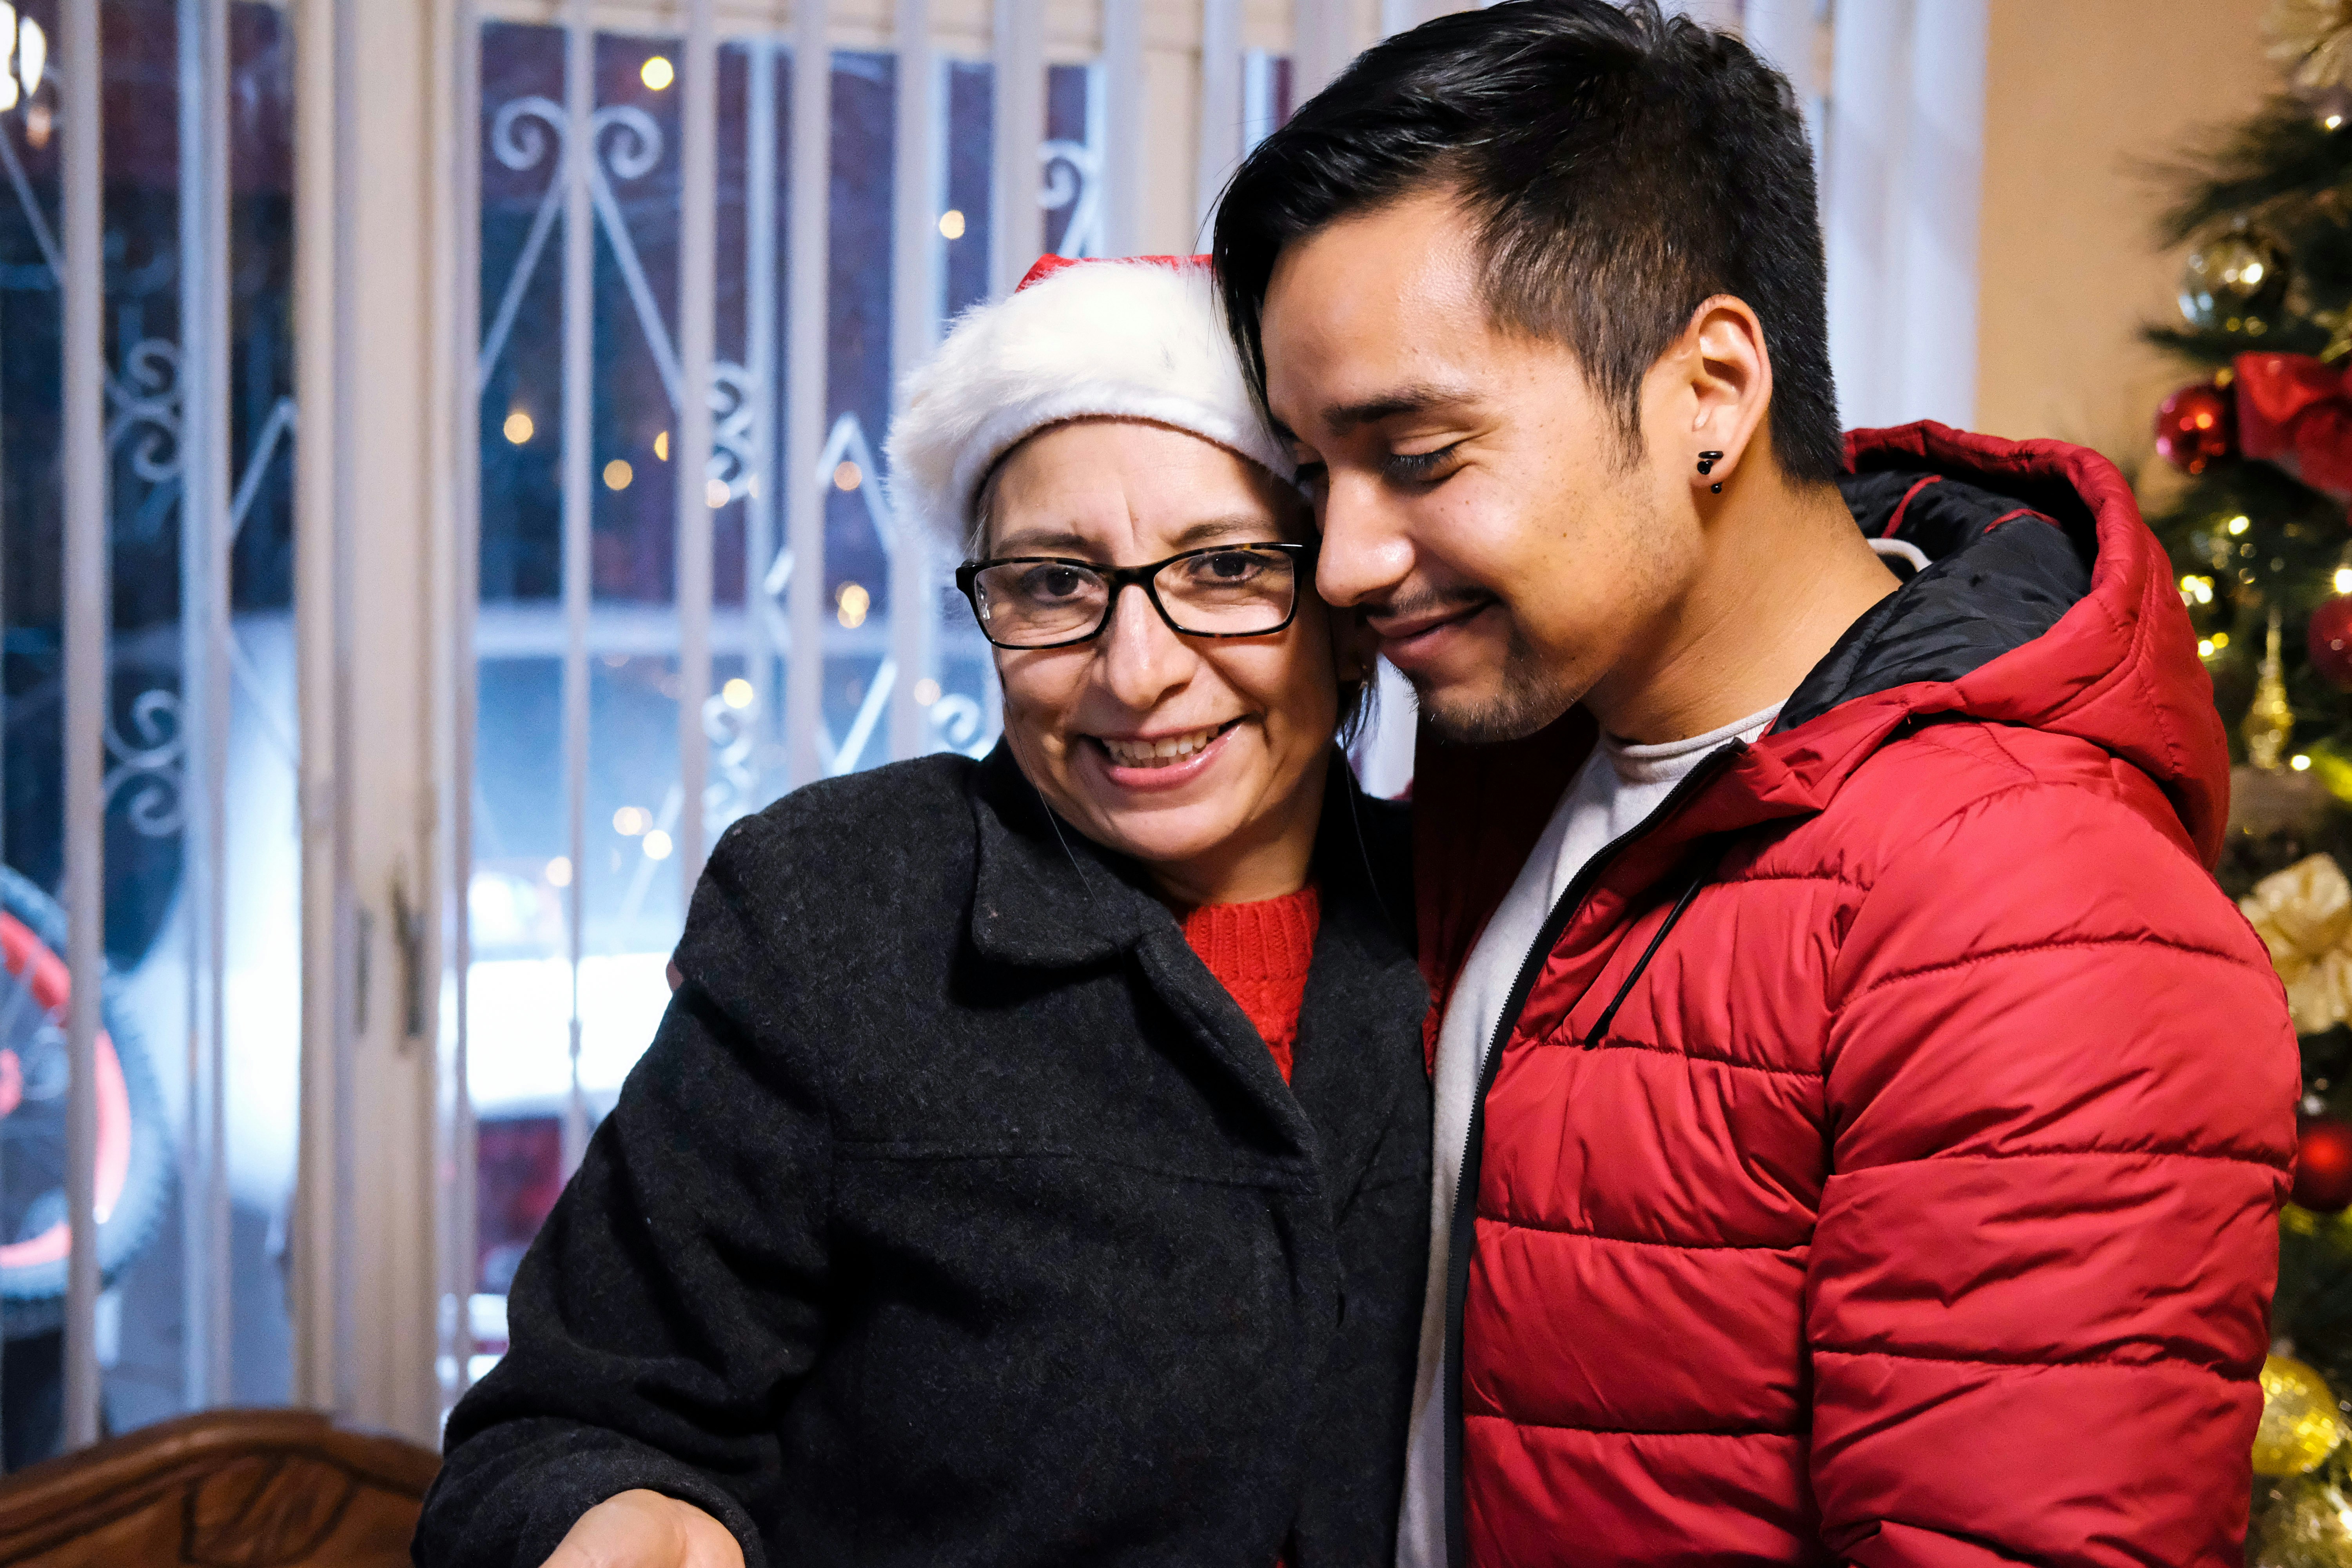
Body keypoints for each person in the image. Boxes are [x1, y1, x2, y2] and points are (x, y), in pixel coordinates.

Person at [1211, 3, 2299, 1564]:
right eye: (1321, 474)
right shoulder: (1517, 759)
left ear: (1711, 391)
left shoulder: (2031, 906)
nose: (1346, 560)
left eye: (1423, 455)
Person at [412, 254, 1431, 1568]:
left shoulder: (1477, 908)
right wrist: (626, 1518)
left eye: (1226, 568)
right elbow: (562, 1429)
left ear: (1343, 611)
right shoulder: (841, 911)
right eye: (1057, 585)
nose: (1138, 670)